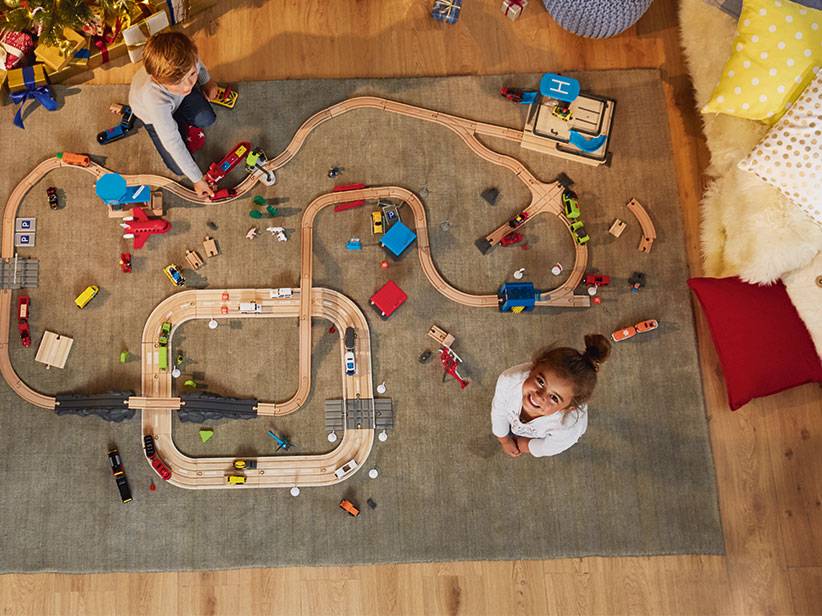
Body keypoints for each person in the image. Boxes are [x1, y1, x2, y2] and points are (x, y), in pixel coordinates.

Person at [129, 32, 219, 198]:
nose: (187, 87)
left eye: (192, 75)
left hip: (177, 102)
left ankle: (178, 121)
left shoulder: (188, 60)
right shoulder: (153, 97)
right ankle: (176, 123)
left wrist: (206, 80)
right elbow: (172, 141)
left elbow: (198, 64)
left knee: (207, 118)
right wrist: (197, 179)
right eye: (177, 83)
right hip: (153, 115)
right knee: (178, 168)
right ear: (157, 79)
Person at [491, 334, 611, 458]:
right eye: (540, 381)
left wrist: (527, 445)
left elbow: (551, 446)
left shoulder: (568, 425)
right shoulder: (509, 381)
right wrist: (504, 439)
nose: (539, 396)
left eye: (554, 398)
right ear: (533, 368)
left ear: (569, 408)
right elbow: (498, 410)